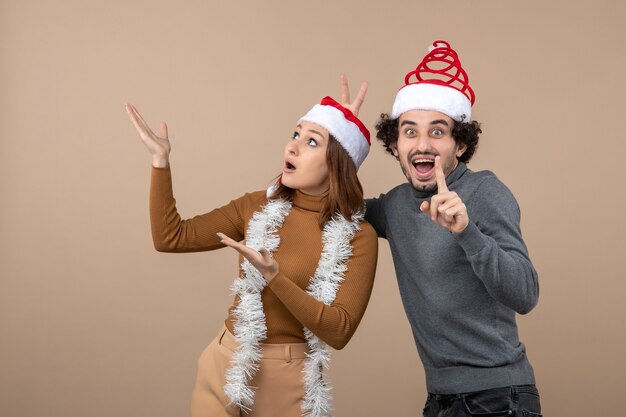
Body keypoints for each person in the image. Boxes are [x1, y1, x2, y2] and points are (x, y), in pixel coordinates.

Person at [125, 77, 377, 417]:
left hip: (289, 381)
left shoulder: (358, 236)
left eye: (312, 141)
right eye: (295, 134)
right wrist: (160, 161)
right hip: (225, 363)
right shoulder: (255, 205)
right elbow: (171, 237)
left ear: (338, 163)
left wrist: (274, 275)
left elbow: (340, 329)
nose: (292, 147)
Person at [365, 40, 542, 417]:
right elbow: (335, 209)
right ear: (395, 145)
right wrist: (336, 139)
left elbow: (526, 293)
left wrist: (466, 232)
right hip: (440, 399)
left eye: (438, 132)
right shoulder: (393, 205)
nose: (422, 144)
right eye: (409, 132)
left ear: (459, 144)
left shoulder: (484, 191)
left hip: (499, 397)